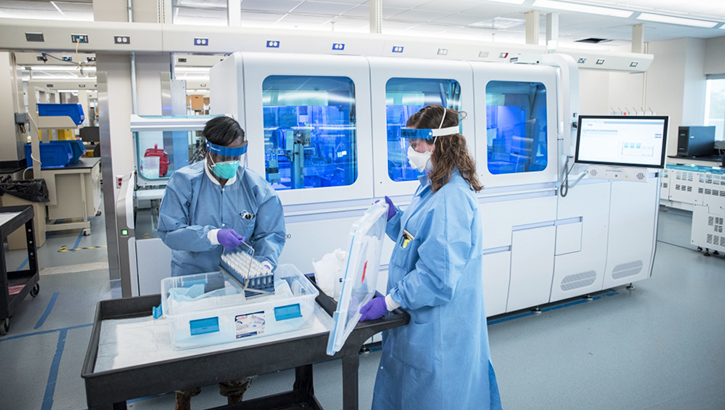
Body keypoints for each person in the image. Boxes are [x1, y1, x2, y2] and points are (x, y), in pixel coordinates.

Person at [359, 104, 502, 410]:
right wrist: (395, 219)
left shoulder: (451, 199)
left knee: (435, 394)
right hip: (417, 317)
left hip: (438, 326)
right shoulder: (431, 186)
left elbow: (436, 277)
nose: (410, 151)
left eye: (415, 145)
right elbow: (417, 241)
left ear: (439, 143)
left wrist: (388, 302)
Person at [158, 115, 286, 410]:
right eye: (225, 155)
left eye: (237, 154)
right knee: (189, 347)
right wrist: (212, 235)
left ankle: (235, 396)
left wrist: (266, 263)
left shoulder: (256, 187)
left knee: (237, 348)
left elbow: (271, 233)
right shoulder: (184, 182)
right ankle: (184, 397)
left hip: (238, 283)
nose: (232, 161)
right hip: (193, 281)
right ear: (208, 150)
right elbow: (169, 231)